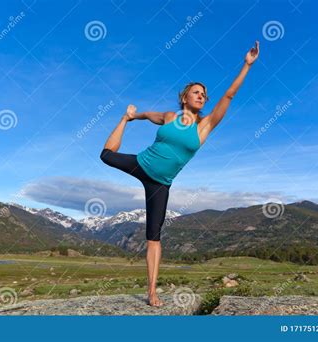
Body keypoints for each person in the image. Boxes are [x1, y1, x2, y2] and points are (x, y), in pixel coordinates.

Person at [100, 41, 260, 306]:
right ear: (185, 97)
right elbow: (148, 115)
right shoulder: (169, 116)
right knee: (105, 155)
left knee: (153, 236)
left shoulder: (204, 126)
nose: (201, 96)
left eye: (204, 95)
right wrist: (131, 116)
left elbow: (229, 95)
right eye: (196, 92)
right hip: (141, 162)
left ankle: (151, 292)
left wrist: (247, 64)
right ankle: (120, 121)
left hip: (160, 184)